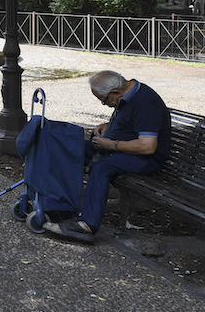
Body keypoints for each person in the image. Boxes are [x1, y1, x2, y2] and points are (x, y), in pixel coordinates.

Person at [44, 70, 171, 243]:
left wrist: (111, 145)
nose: (104, 104)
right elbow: (132, 122)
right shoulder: (128, 94)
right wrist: (109, 126)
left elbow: (148, 146)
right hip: (122, 150)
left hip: (146, 159)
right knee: (71, 148)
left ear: (116, 92)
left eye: (103, 100)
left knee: (102, 168)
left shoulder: (145, 102)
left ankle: (87, 225)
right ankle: (60, 205)